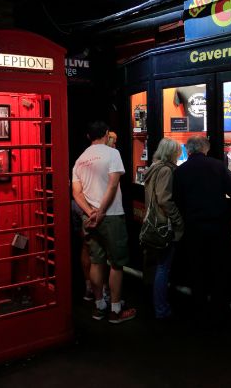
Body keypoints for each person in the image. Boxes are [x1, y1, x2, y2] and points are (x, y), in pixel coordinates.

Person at [172, 135, 231, 324]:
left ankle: (199, 310)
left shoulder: (180, 171)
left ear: (190, 150)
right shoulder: (218, 165)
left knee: (197, 268)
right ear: (205, 149)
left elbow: (176, 200)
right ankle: (219, 311)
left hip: (193, 227)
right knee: (219, 268)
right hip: (218, 227)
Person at [72, 121, 136, 323]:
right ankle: (116, 310)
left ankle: (99, 306)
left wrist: (90, 212)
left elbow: (76, 192)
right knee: (117, 264)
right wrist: (100, 212)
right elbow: (113, 184)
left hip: (88, 217)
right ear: (106, 134)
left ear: (88, 137)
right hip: (111, 215)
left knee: (97, 261)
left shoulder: (80, 159)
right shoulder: (112, 154)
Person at [142, 138, 184, 319]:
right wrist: (178, 219)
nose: (179, 154)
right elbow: (164, 199)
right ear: (171, 153)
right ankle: (161, 309)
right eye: (177, 151)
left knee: (154, 266)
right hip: (163, 225)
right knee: (163, 268)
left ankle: (152, 304)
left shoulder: (154, 167)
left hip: (151, 224)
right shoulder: (166, 170)